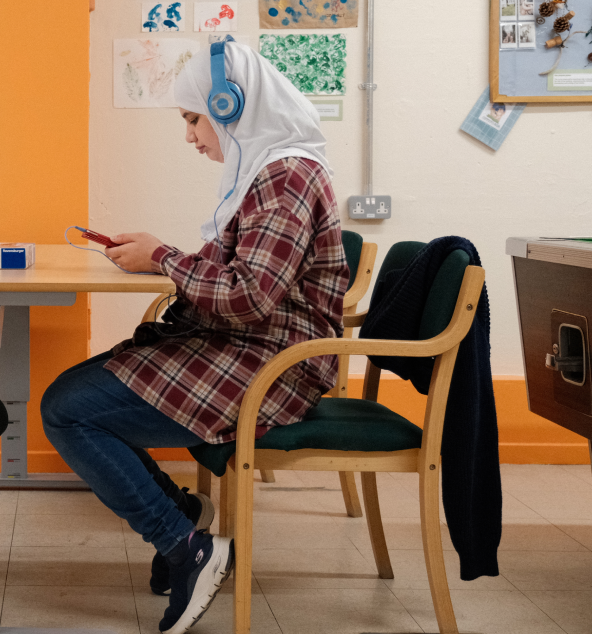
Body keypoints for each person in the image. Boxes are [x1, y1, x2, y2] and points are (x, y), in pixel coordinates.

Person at [41, 38, 347, 634]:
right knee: (73, 396)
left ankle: (186, 544)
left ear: (231, 106)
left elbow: (249, 295)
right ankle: (181, 515)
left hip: (273, 362)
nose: (190, 137)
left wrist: (162, 256)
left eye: (192, 119)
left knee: (69, 409)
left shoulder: (286, 178)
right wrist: (160, 258)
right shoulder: (267, 173)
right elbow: (237, 279)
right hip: (251, 345)